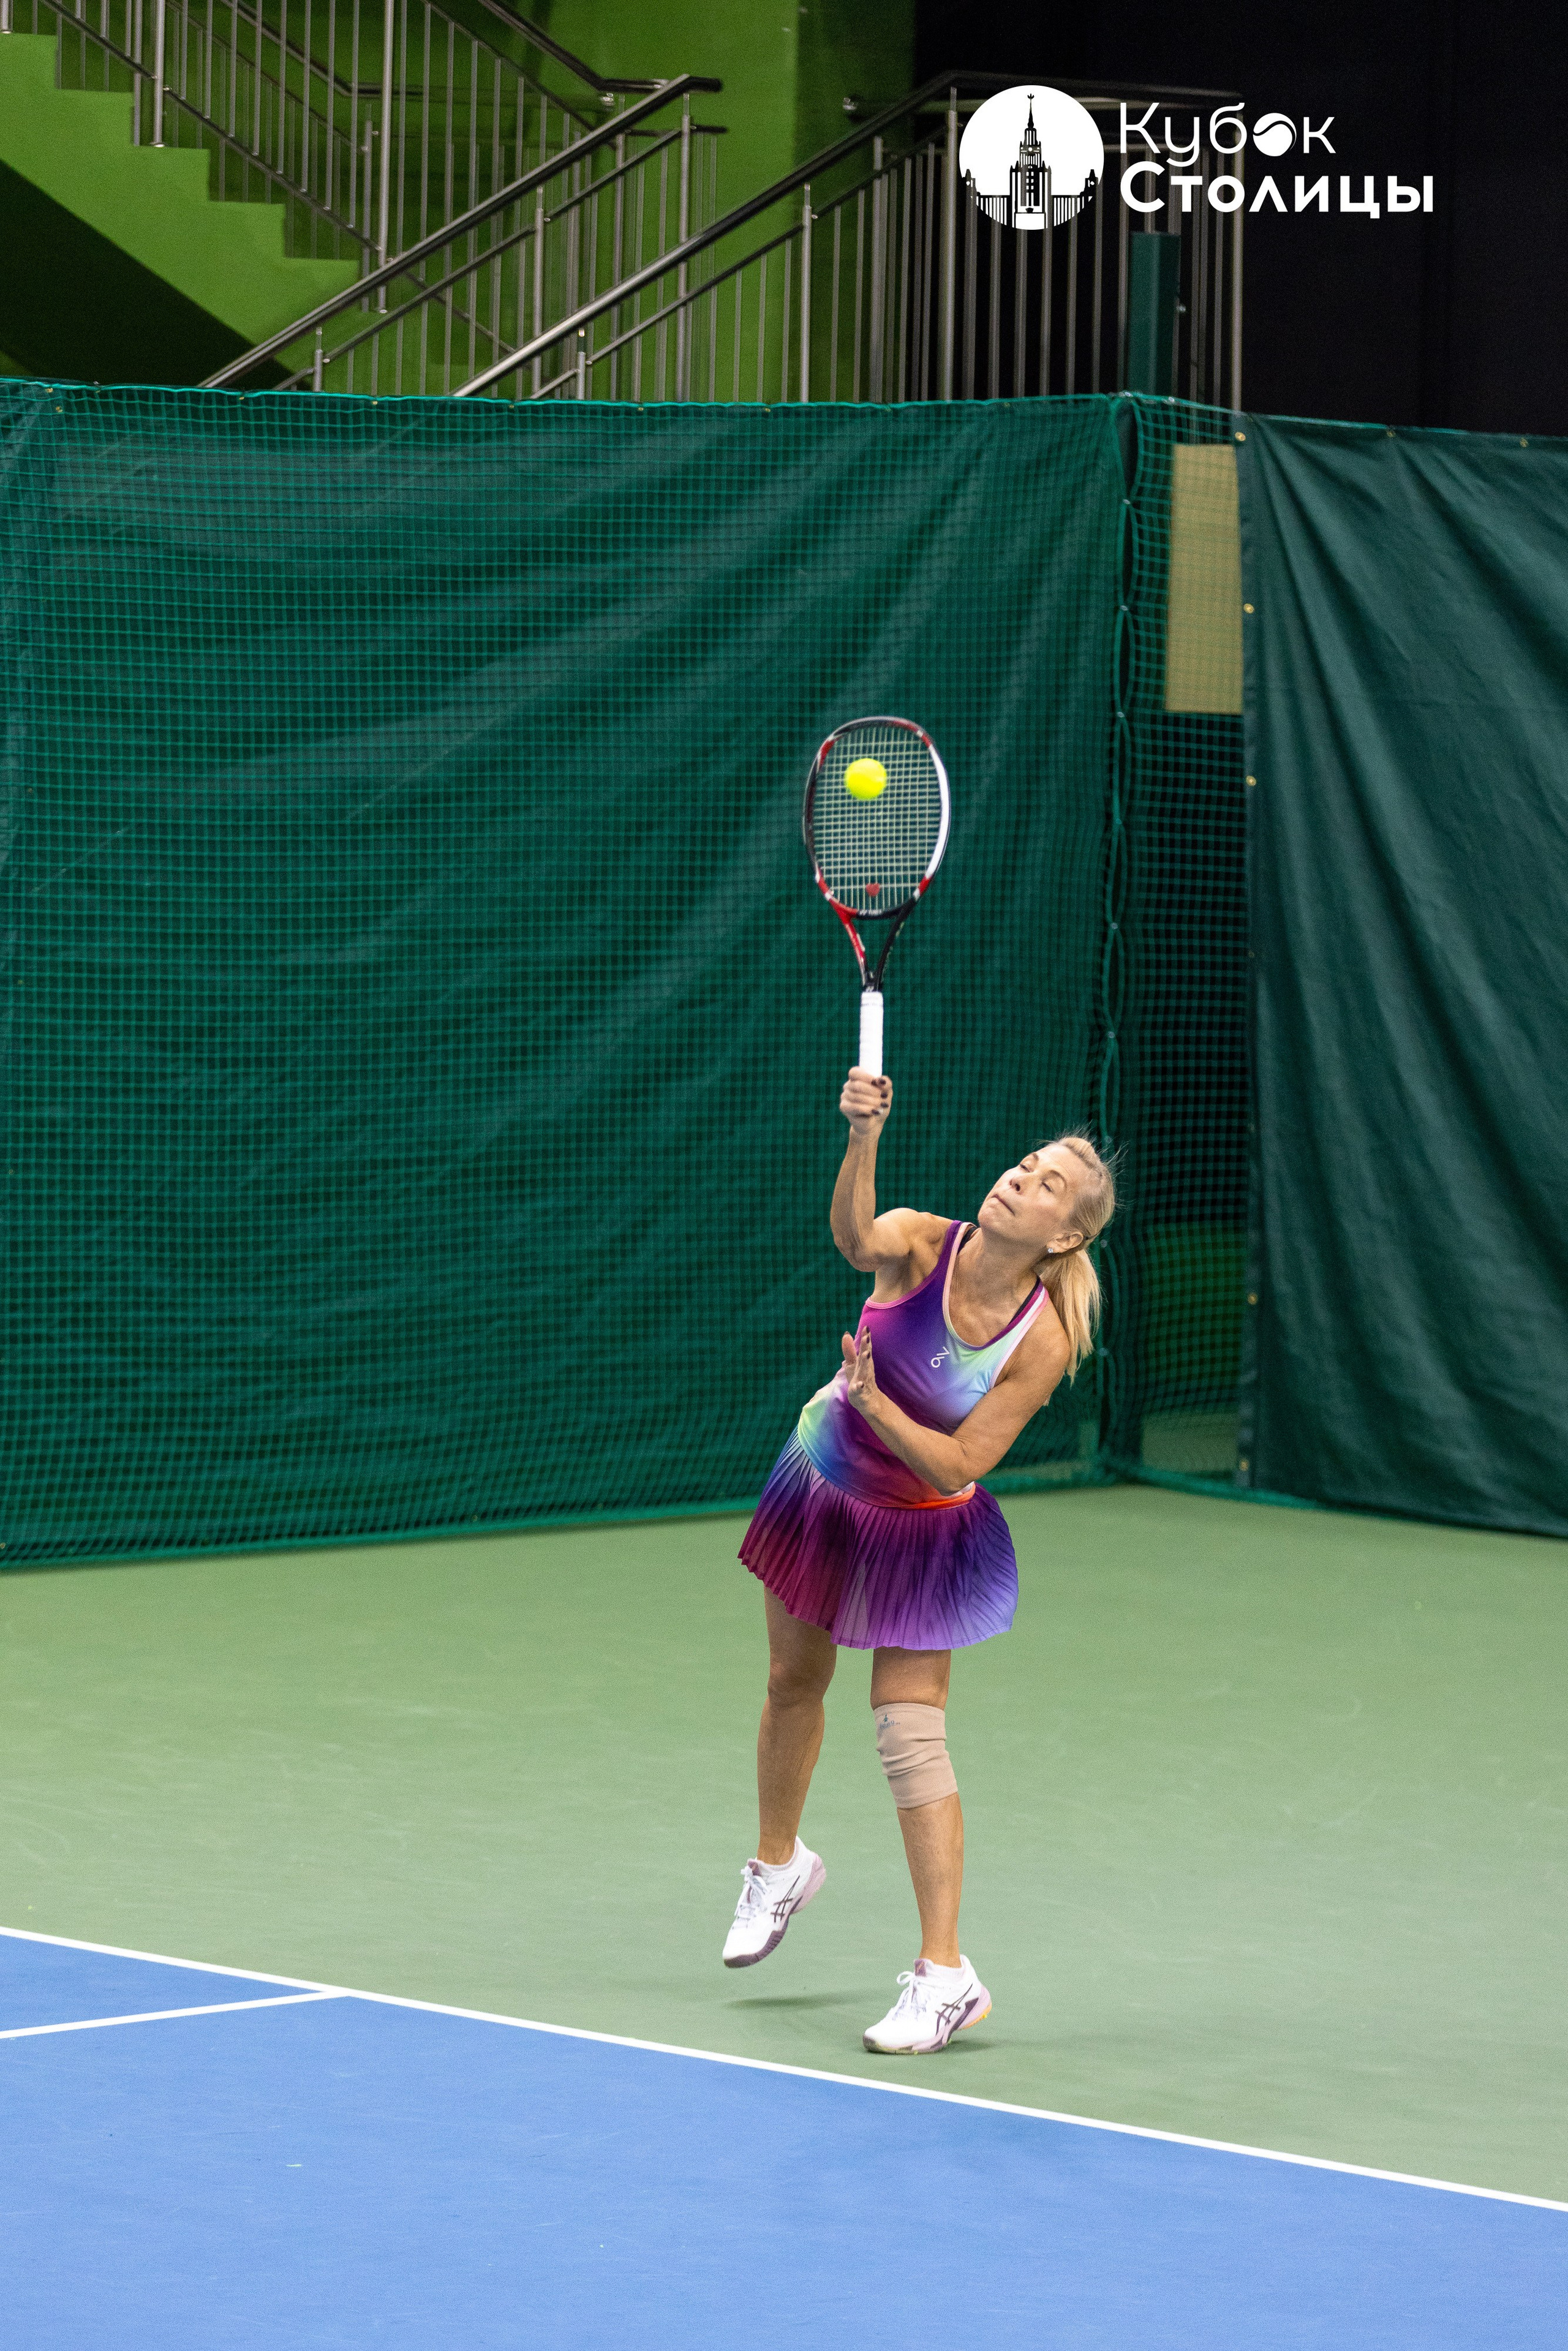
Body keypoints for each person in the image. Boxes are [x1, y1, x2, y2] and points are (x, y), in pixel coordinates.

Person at [722, 1065, 1116, 2055]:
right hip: (825, 1480)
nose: (1019, 1178)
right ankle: (779, 1864)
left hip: (923, 1525)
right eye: (1026, 1163)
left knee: (908, 1733)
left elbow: (962, 1460)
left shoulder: (1044, 1336)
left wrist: (877, 1399)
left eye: (1046, 1184)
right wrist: (861, 1134)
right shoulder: (923, 1243)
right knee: (791, 1679)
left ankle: (946, 1976)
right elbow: (855, 1239)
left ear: (1063, 1235)